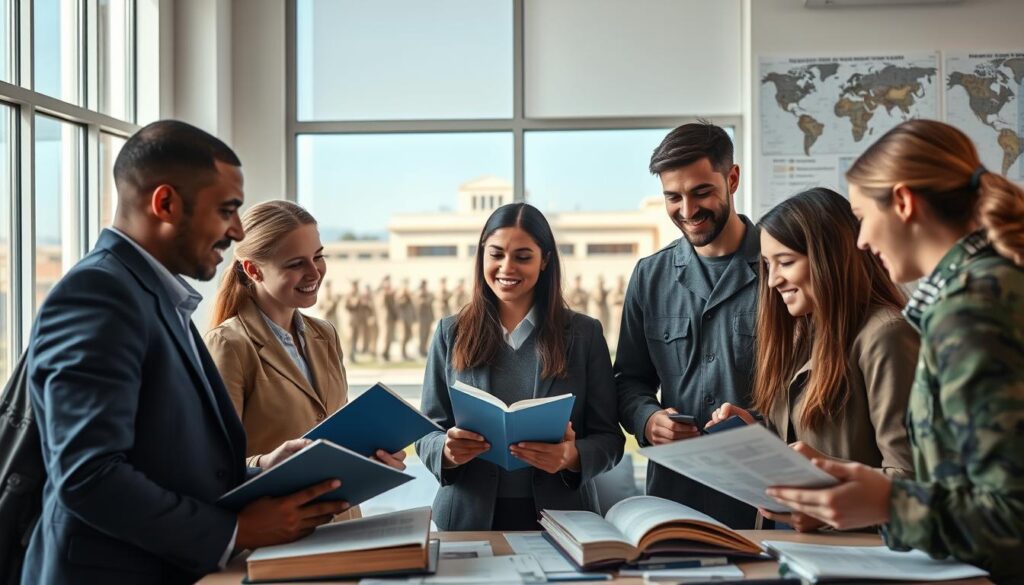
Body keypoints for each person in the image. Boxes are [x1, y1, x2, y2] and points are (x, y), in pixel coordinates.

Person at [22, 121, 349, 585]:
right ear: (166, 203)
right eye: (227, 210)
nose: (237, 230)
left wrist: (259, 469)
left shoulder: (154, 297)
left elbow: (164, 458)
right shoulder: (99, 295)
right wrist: (236, 529)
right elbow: (87, 475)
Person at [766, 120, 1024, 582]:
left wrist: (887, 502)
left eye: (862, 218)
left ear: (903, 203)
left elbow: (1010, 517)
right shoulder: (972, 294)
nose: (860, 241)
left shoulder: (972, 308)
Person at [706, 188, 918, 532]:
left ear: (831, 259)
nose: (772, 280)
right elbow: (801, 440)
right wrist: (754, 431)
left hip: (856, 554)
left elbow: (910, 481)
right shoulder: (801, 332)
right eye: (767, 265)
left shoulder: (886, 335)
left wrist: (822, 493)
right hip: (791, 545)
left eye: (786, 262)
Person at [415, 203, 624, 531]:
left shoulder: (584, 334)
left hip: (564, 519)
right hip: (469, 518)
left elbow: (610, 439)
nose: (506, 267)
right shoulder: (450, 332)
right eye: (496, 254)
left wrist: (570, 457)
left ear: (545, 261)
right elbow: (426, 429)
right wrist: (446, 450)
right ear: (482, 255)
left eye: (523, 257)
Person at [205, 200, 406, 520]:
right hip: (279, 535)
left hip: (344, 526)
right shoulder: (229, 345)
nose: (314, 273)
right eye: (296, 263)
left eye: (318, 257)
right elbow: (208, 470)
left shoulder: (325, 335)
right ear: (253, 270)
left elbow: (337, 433)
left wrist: (371, 458)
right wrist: (264, 463)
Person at [615, 121, 760, 528]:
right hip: (674, 499)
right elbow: (628, 380)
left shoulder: (780, 267)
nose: (688, 210)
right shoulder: (650, 276)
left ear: (732, 179)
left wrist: (760, 426)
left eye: (701, 192)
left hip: (762, 496)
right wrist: (648, 420)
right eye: (673, 197)